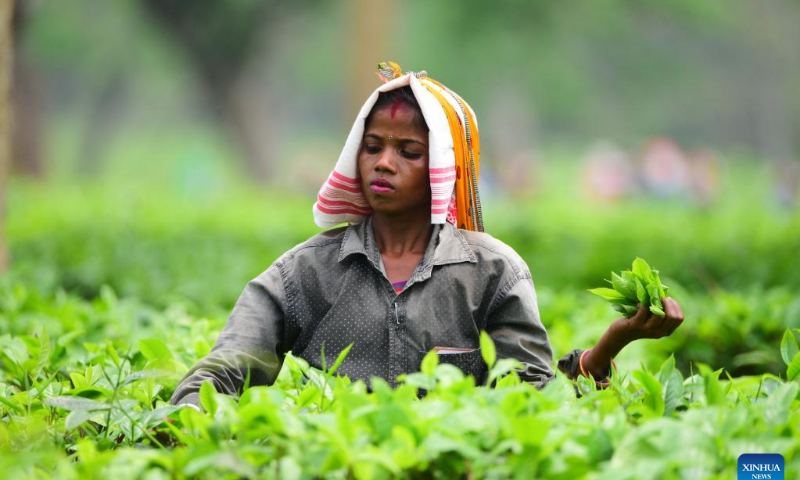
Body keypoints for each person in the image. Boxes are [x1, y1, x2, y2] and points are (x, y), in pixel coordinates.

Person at [170, 62, 684, 407]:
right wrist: (183, 417)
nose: (384, 163)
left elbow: (535, 400)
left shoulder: (493, 274)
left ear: (442, 169)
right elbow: (229, 364)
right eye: (372, 146)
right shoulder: (304, 273)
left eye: (408, 152)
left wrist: (612, 345)